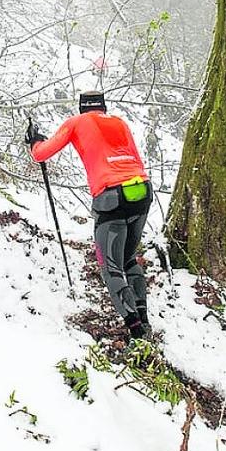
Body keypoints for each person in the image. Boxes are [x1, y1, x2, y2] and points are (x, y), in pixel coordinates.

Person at [27, 91, 151, 339]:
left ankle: (136, 332)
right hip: (141, 190)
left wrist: (34, 141)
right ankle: (144, 321)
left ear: (82, 108)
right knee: (128, 259)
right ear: (103, 107)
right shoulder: (119, 122)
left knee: (111, 268)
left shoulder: (77, 122)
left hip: (111, 196)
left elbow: (41, 154)